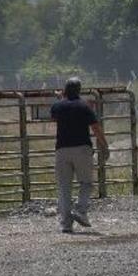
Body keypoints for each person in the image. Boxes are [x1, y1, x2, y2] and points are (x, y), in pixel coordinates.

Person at [50, 77, 108, 234]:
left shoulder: (57, 106)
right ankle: (81, 210)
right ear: (79, 90)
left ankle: (66, 224)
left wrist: (61, 98)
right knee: (86, 183)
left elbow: (55, 116)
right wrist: (104, 145)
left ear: (64, 90)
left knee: (64, 187)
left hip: (62, 150)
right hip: (82, 149)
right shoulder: (84, 107)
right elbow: (95, 128)